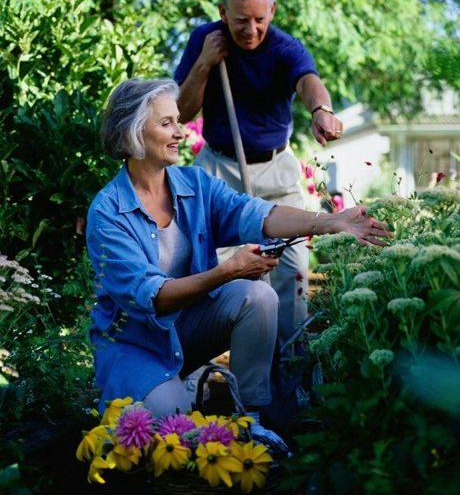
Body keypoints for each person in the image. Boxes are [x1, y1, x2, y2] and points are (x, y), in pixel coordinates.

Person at [85, 77, 390, 447]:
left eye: (178, 121)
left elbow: (256, 214)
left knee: (257, 297)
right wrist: (225, 272)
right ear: (132, 132)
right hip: (138, 345)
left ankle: (252, 422)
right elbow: (155, 299)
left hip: (188, 328)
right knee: (170, 423)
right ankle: (156, 390)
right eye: (166, 123)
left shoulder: (194, 184)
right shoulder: (108, 212)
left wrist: (329, 221)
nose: (180, 132)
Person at [174, 0, 344, 356]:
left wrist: (321, 110)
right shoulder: (204, 39)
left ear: (272, 10)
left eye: (259, 19)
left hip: (275, 170)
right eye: (240, 21)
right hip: (218, 168)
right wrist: (204, 63)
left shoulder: (285, 48)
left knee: (293, 267)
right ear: (222, 11)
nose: (251, 29)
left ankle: (290, 366)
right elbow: (182, 113)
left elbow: (308, 81)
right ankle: (205, 362)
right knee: (209, 267)